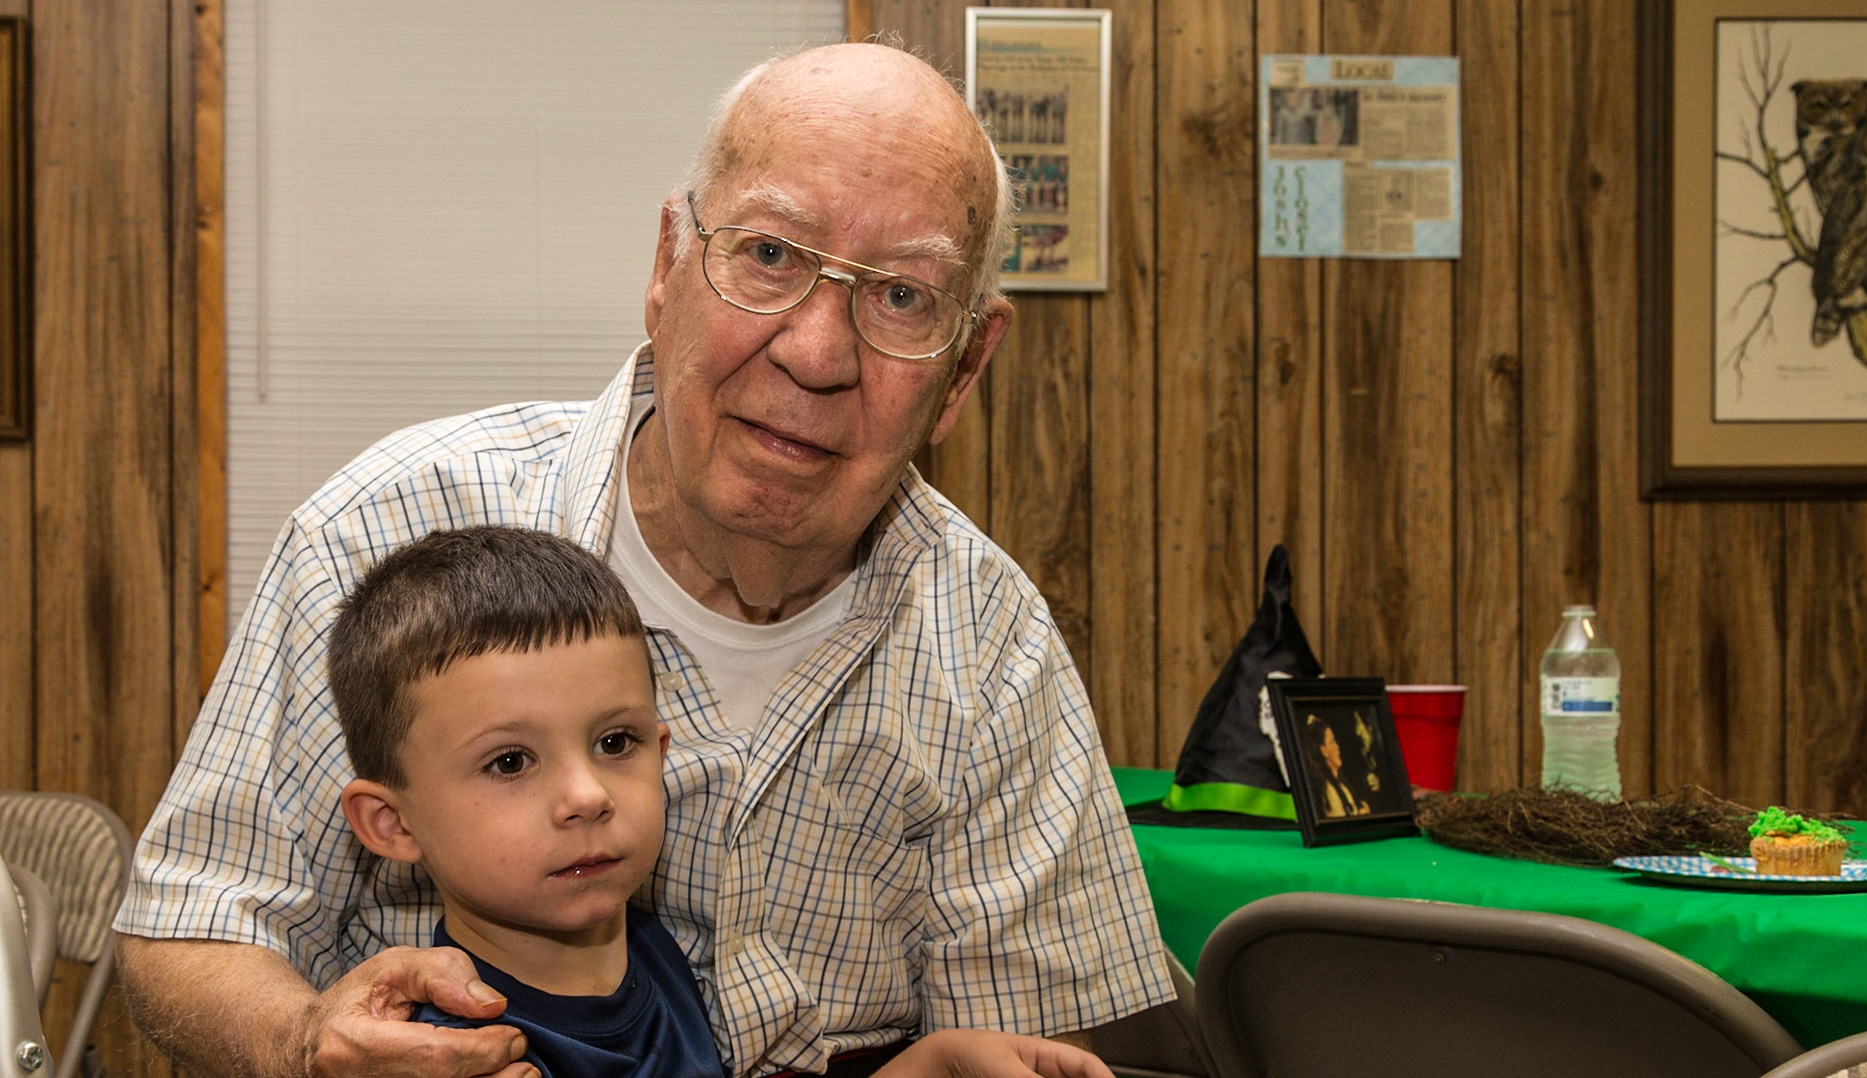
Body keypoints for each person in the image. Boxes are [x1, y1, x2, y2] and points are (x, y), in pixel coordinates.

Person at [113, 40, 1171, 1078]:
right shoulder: (381, 532)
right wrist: (306, 1044)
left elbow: (1032, 1041)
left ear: (964, 367)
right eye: (769, 255)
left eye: (901, 296)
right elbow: (188, 925)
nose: (816, 352)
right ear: (668, 266)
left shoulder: (989, 644)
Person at [329, 526, 725, 1078]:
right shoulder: (458, 1057)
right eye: (510, 762)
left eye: (615, 743)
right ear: (392, 822)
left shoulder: (654, 950)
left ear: (660, 755)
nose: (588, 797)